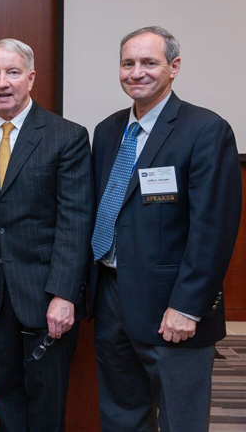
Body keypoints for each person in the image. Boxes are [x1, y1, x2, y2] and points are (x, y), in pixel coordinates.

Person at [88, 26, 241, 431]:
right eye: (128, 63)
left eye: (149, 63)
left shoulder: (205, 130)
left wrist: (188, 306)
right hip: (112, 296)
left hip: (173, 307)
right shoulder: (107, 131)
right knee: (121, 415)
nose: (136, 72)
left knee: (181, 419)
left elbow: (214, 229)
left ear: (173, 68)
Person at [0, 38, 93, 431]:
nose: (2, 82)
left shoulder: (67, 136)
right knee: (5, 392)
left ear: (31, 77)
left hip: (46, 292)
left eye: (12, 72)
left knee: (46, 400)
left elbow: (75, 222)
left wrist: (64, 294)